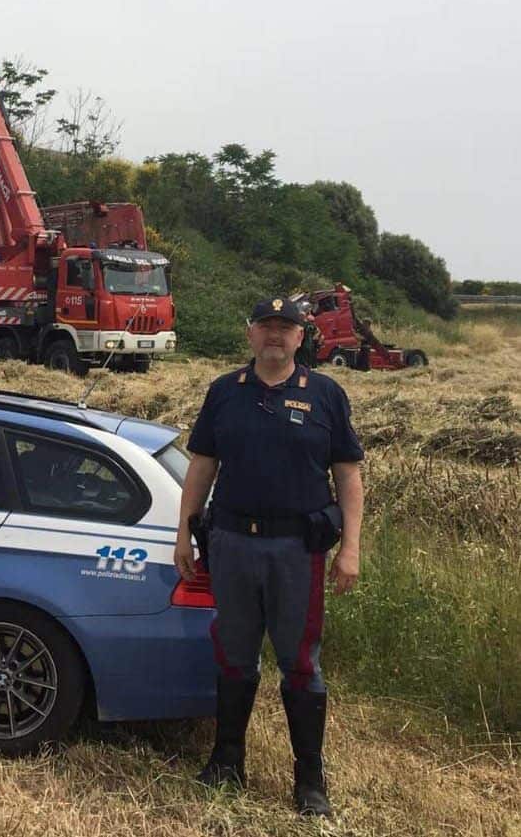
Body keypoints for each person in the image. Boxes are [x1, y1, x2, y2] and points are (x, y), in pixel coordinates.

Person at [174, 296, 364, 817]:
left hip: (296, 551)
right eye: (266, 326)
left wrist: (350, 548)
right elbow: (202, 467)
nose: (275, 335)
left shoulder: (325, 395)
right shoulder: (223, 393)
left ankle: (309, 782)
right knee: (233, 655)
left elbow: (348, 475)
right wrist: (182, 535)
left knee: (300, 664)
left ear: (302, 337)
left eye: (287, 327)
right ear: (250, 334)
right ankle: (226, 761)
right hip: (232, 545)